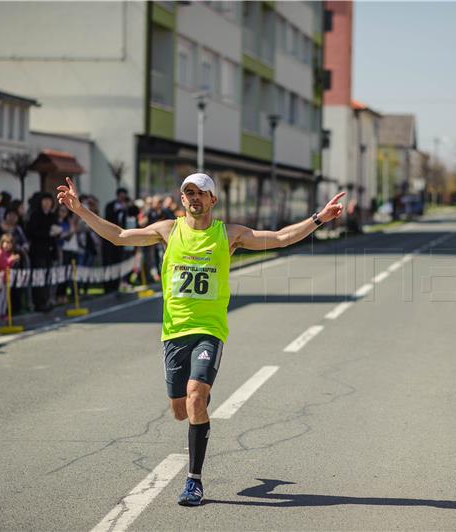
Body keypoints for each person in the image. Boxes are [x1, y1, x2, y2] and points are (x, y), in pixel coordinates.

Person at [57, 173, 345, 507]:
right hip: (174, 333)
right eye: (188, 192)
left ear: (213, 200)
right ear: (182, 200)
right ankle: (198, 400)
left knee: (195, 397)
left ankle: (193, 481)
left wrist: (318, 219)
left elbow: (279, 238)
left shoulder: (229, 233)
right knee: (180, 410)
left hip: (210, 330)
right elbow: (120, 236)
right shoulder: (168, 230)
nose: (194, 198)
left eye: (201, 193)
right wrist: (80, 211)